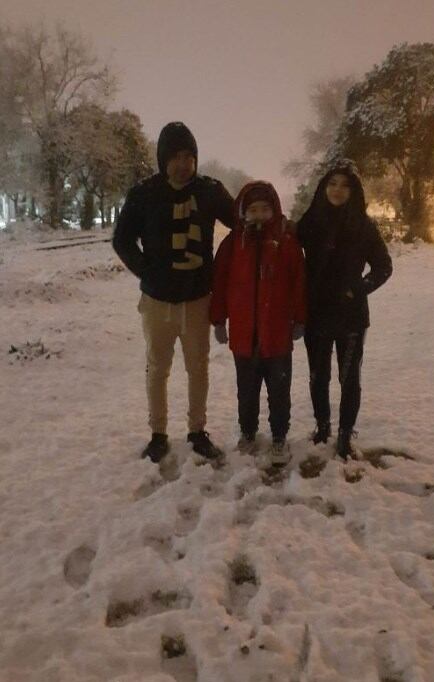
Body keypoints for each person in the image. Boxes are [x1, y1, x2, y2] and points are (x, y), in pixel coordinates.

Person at [112, 121, 234, 463]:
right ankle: (158, 434)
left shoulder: (210, 191)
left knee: (198, 368)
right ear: (163, 159)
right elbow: (121, 240)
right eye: (176, 157)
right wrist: (146, 270)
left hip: (197, 299)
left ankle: (197, 431)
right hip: (156, 302)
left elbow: (240, 222)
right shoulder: (144, 194)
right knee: (157, 368)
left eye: (189, 156)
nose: (183, 164)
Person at [297, 160, 393, 459]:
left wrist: (357, 289)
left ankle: (344, 434)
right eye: (332, 184)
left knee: (349, 377)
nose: (337, 190)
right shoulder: (310, 221)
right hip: (316, 313)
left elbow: (383, 267)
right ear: (324, 187)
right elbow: (286, 255)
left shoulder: (363, 226)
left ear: (354, 191)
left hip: (351, 316)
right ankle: (323, 427)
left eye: (344, 185)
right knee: (318, 375)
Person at [210, 181, 306, 466]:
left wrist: (299, 319)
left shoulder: (287, 244)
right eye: (253, 210)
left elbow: (299, 283)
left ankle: (279, 436)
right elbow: (220, 282)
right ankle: (248, 433)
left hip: (277, 337)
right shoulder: (232, 245)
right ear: (243, 212)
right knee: (247, 391)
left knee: (279, 391)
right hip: (243, 337)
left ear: (274, 209)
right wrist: (218, 320)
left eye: (265, 209)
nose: (259, 215)